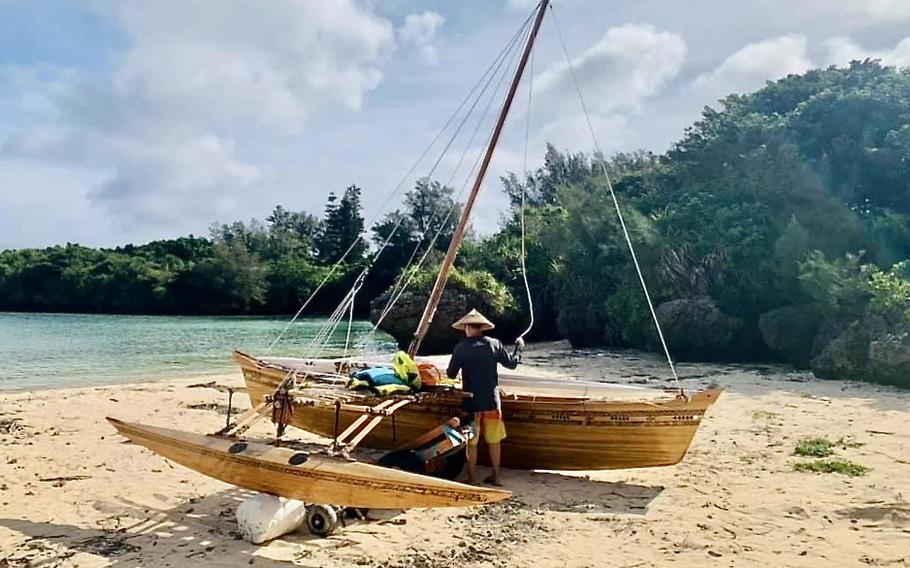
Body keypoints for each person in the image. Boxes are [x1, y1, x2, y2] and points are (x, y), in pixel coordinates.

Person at [446, 309, 524, 486]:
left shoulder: (461, 348)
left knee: (471, 442)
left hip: (471, 403)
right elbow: (512, 364)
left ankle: (472, 478)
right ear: (481, 327)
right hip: (492, 401)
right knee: (494, 441)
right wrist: (519, 347)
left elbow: (451, 374)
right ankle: (496, 476)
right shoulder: (494, 344)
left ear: (466, 327)